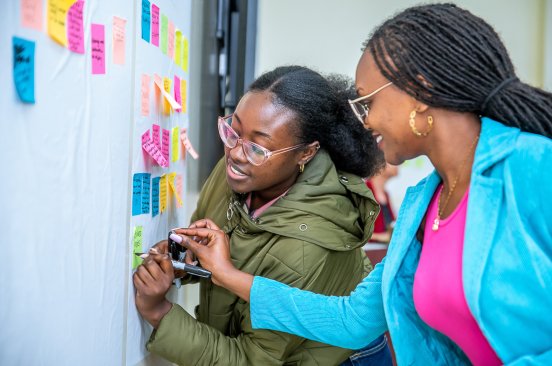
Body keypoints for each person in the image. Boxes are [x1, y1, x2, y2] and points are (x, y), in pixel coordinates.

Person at [173, 3, 552, 365]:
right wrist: (228, 275)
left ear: (418, 94)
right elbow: (352, 321)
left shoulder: (532, 166)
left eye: (367, 103)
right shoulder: (425, 204)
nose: (365, 122)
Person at [133, 66, 392, 365]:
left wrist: (158, 313)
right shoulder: (241, 166)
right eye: (233, 130)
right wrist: (183, 262)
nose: (236, 154)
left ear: (306, 153)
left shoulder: (306, 250)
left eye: (258, 147)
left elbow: (252, 359)